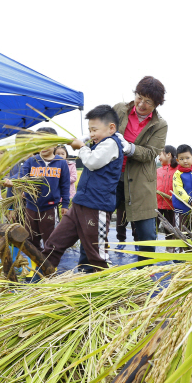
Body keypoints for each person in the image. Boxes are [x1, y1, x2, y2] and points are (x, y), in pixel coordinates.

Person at [42, 105, 123, 272]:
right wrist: (82, 141)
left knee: (97, 254)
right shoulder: (99, 142)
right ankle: (40, 275)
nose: (91, 134)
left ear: (111, 128)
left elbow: (93, 162)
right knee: (55, 242)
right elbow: (87, 142)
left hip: (96, 206)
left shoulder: (111, 143)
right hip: (79, 204)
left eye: (94, 130)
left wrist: (81, 147)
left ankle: (107, 287)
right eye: (89, 130)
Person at [112, 76, 168, 261]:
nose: (141, 104)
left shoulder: (160, 125)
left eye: (148, 101)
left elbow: (151, 153)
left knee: (146, 232)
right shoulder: (120, 109)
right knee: (94, 221)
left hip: (140, 180)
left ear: (157, 104)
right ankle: (90, 267)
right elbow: (103, 130)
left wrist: (130, 148)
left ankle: (144, 273)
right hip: (111, 176)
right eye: (139, 97)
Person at [11, 127, 70, 254]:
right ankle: (35, 262)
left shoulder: (61, 163)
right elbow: (21, 175)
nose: (43, 146)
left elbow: (65, 185)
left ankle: (49, 264)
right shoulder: (32, 161)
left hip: (50, 207)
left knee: (50, 237)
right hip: (31, 206)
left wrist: (65, 204)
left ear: (55, 144)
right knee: (31, 237)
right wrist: (12, 181)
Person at [172, 144, 192, 232]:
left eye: (187, 158)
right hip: (181, 209)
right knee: (180, 232)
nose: (185, 161)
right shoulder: (178, 174)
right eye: (181, 159)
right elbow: (178, 189)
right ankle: (179, 246)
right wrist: (190, 200)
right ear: (177, 160)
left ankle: (189, 246)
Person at [157, 145, 179, 243]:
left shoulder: (178, 170)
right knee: (152, 229)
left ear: (168, 155)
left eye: (160, 154)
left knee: (170, 231)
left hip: (171, 206)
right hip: (156, 205)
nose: (159, 157)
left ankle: (170, 250)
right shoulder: (158, 171)